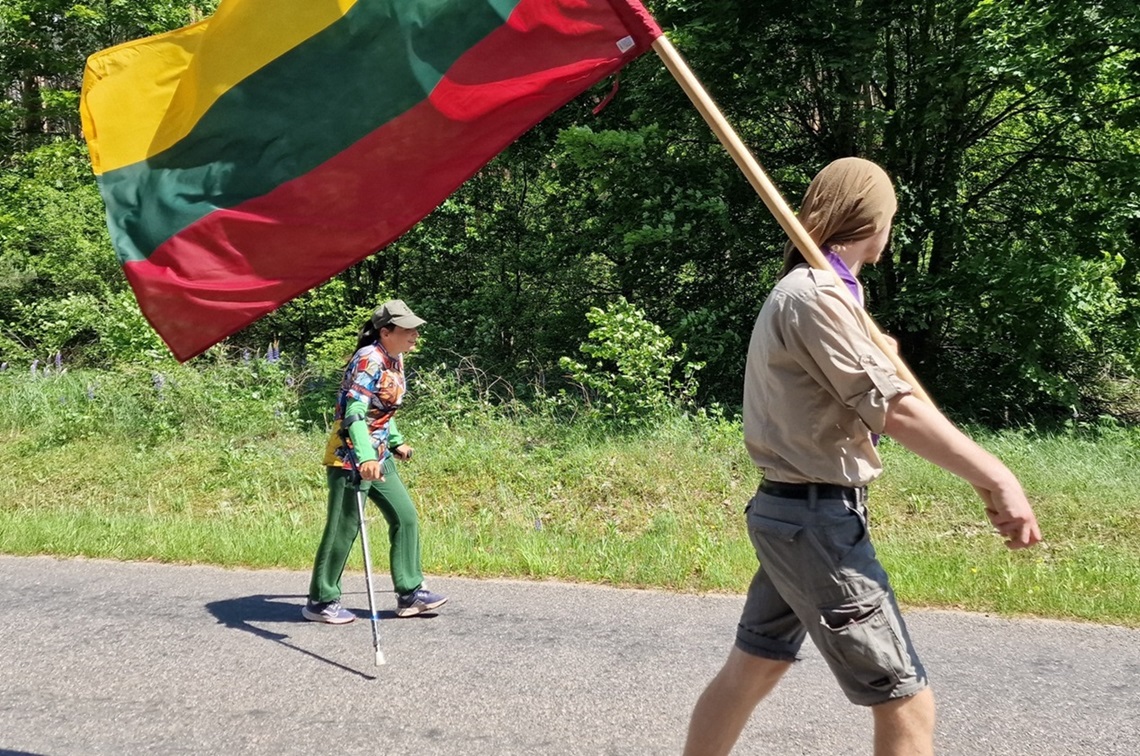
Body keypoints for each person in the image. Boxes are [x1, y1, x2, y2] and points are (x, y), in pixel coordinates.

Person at [682, 158, 1042, 756]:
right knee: (905, 699)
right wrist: (997, 474)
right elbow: (894, 411)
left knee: (756, 667)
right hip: (815, 521)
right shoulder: (815, 296)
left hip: (793, 515)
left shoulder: (828, 293)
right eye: (890, 217)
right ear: (873, 219)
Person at [303, 299, 447, 624]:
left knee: (405, 516)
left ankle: (410, 592)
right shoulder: (369, 359)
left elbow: (382, 410)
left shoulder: (394, 359)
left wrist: (395, 442)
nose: (415, 336)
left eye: (415, 330)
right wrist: (365, 456)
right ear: (386, 331)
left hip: (379, 454)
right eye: (408, 330)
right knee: (344, 528)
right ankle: (321, 600)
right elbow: (355, 412)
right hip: (351, 456)